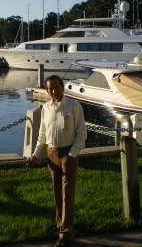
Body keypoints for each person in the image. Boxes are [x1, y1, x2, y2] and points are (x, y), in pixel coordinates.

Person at [26, 75, 87, 247]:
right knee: (57, 192)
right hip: (51, 154)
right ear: (46, 90)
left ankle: (67, 233)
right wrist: (36, 155)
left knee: (67, 194)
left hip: (69, 154)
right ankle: (60, 225)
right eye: (49, 88)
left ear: (63, 87)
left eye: (56, 87)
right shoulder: (46, 108)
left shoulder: (74, 106)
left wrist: (72, 154)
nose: (53, 91)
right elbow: (42, 135)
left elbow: (82, 133)